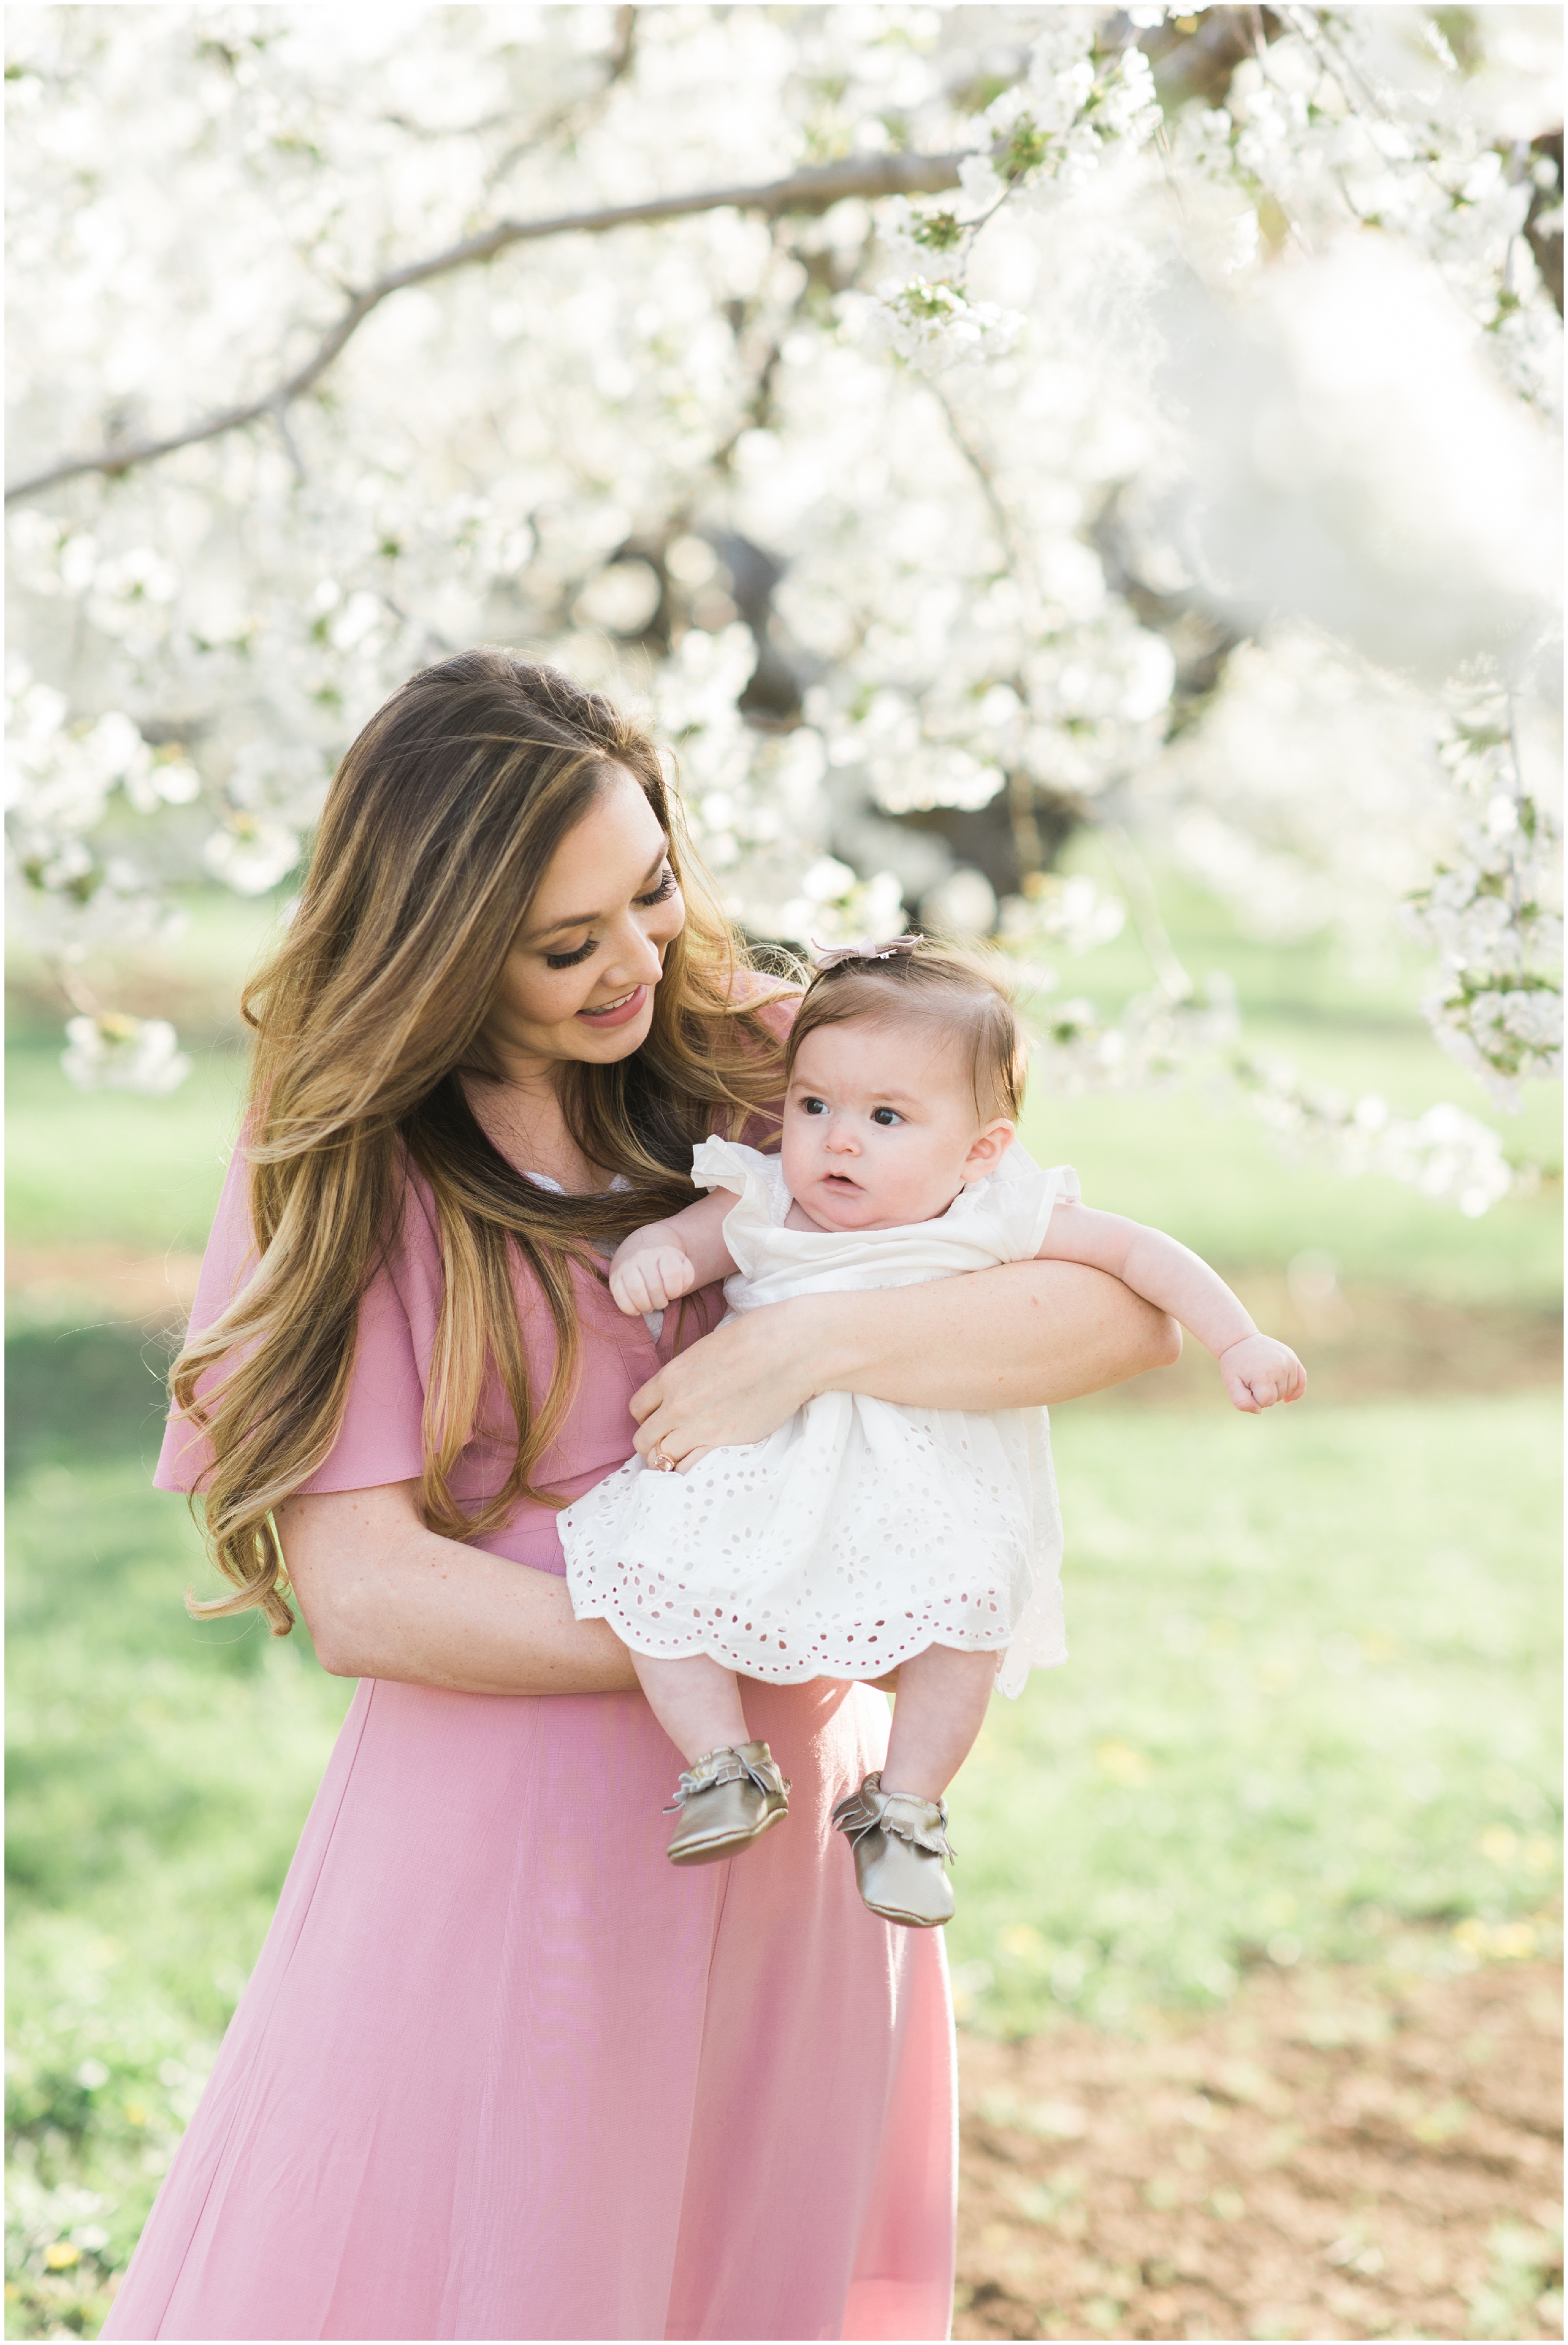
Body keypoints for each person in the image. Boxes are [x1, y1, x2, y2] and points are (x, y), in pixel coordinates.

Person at [102, 650, 1179, 2344]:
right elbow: (367, 1590)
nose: (635, 959)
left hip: (798, 1849)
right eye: (562, 942)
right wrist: (737, 1613)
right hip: (502, 1856)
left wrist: (793, 1361)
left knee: (744, 2280)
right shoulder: (350, 1156)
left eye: (653, 889)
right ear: (445, 942)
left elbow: (1114, 1307)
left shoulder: (777, 1060)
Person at [561, 940, 1306, 1927]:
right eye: (813, 1106)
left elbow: (1136, 1254)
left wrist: (1237, 1336)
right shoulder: (769, 1197)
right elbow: (690, 1243)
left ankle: (907, 1808)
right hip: (764, 1464)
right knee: (654, 1570)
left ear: (980, 1148)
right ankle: (723, 1765)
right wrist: (655, 1253)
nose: (838, 1141)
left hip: (925, 1482)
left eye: (885, 1118)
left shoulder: (989, 1213)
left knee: (966, 1615)